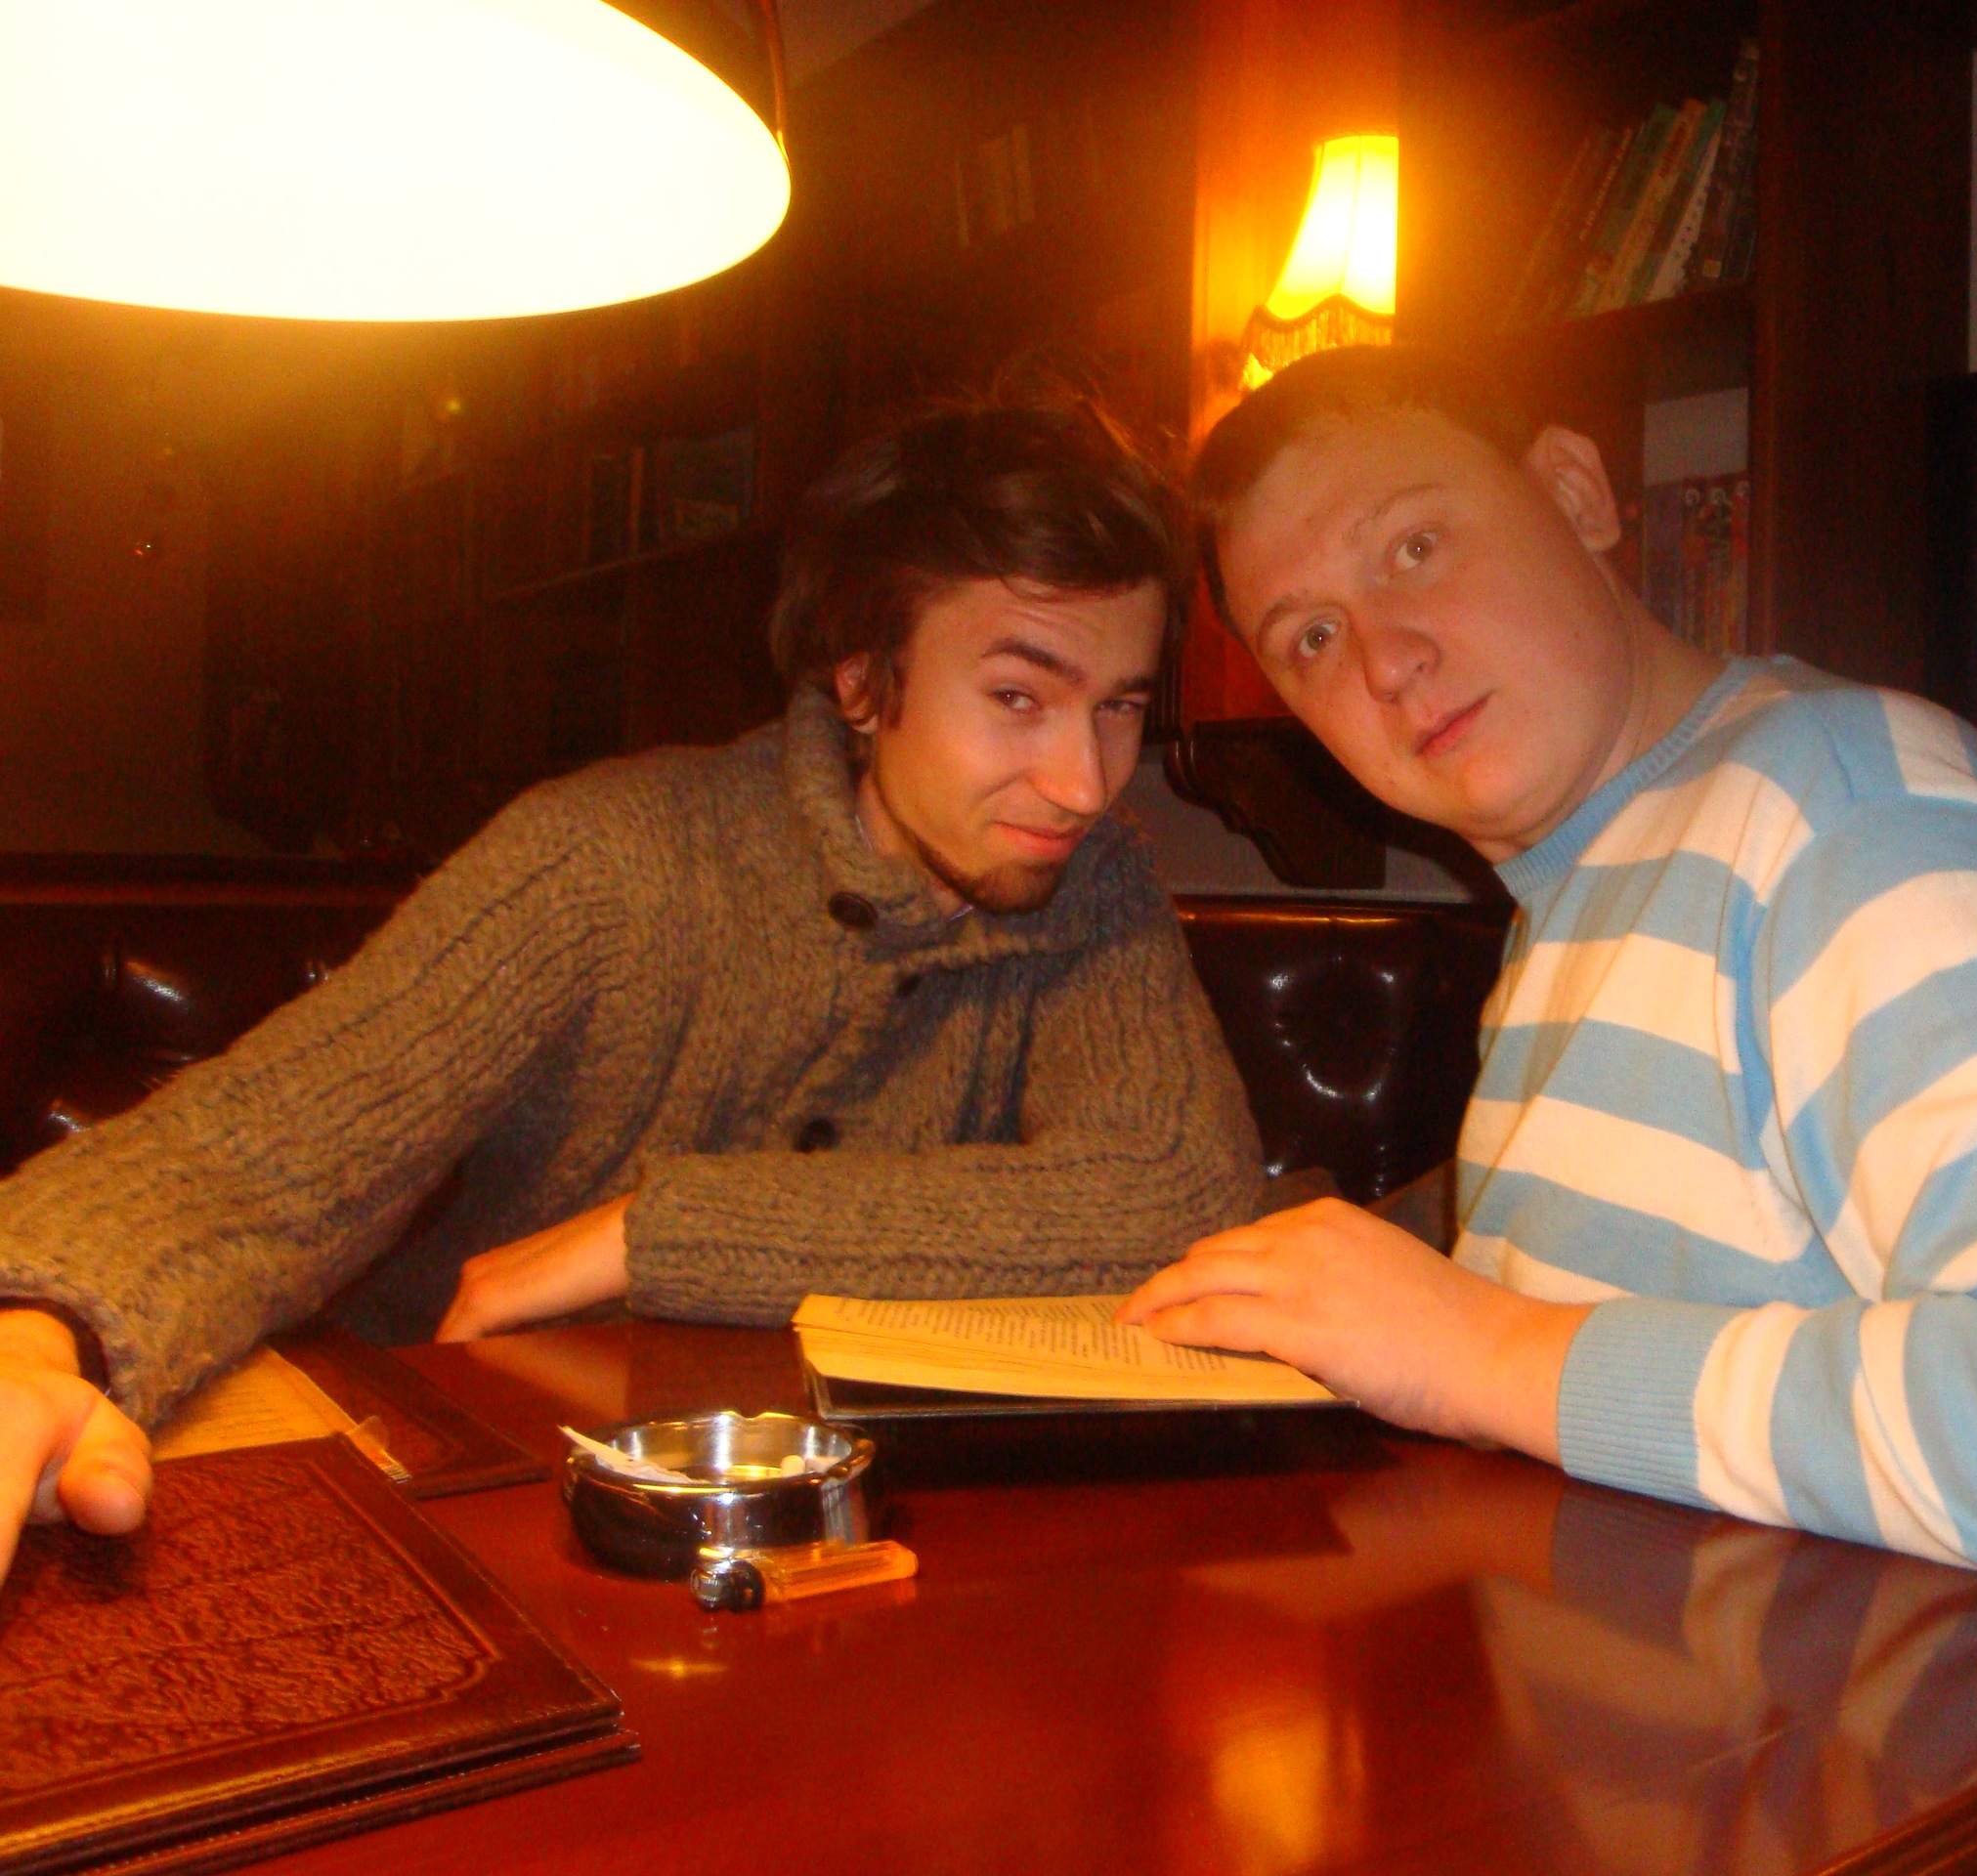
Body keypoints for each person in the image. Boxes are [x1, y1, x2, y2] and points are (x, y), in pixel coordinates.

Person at [1125, 343, 1977, 1645]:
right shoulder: (1583, 890)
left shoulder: (1843, 805)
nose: (1384, 662)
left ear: (1575, 491)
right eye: (1311, 638)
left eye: (1415, 548)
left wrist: (1481, 1352)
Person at [0, 388, 1266, 1580]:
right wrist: (35, 1333)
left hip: (849, 1567)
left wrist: (652, 1236)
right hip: (475, 1520)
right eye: (1018, 696)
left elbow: (1173, 1191)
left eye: (1118, 709)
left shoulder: (1094, 891)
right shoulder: (610, 861)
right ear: (862, 678)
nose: (1085, 783)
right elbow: (257, 1153)